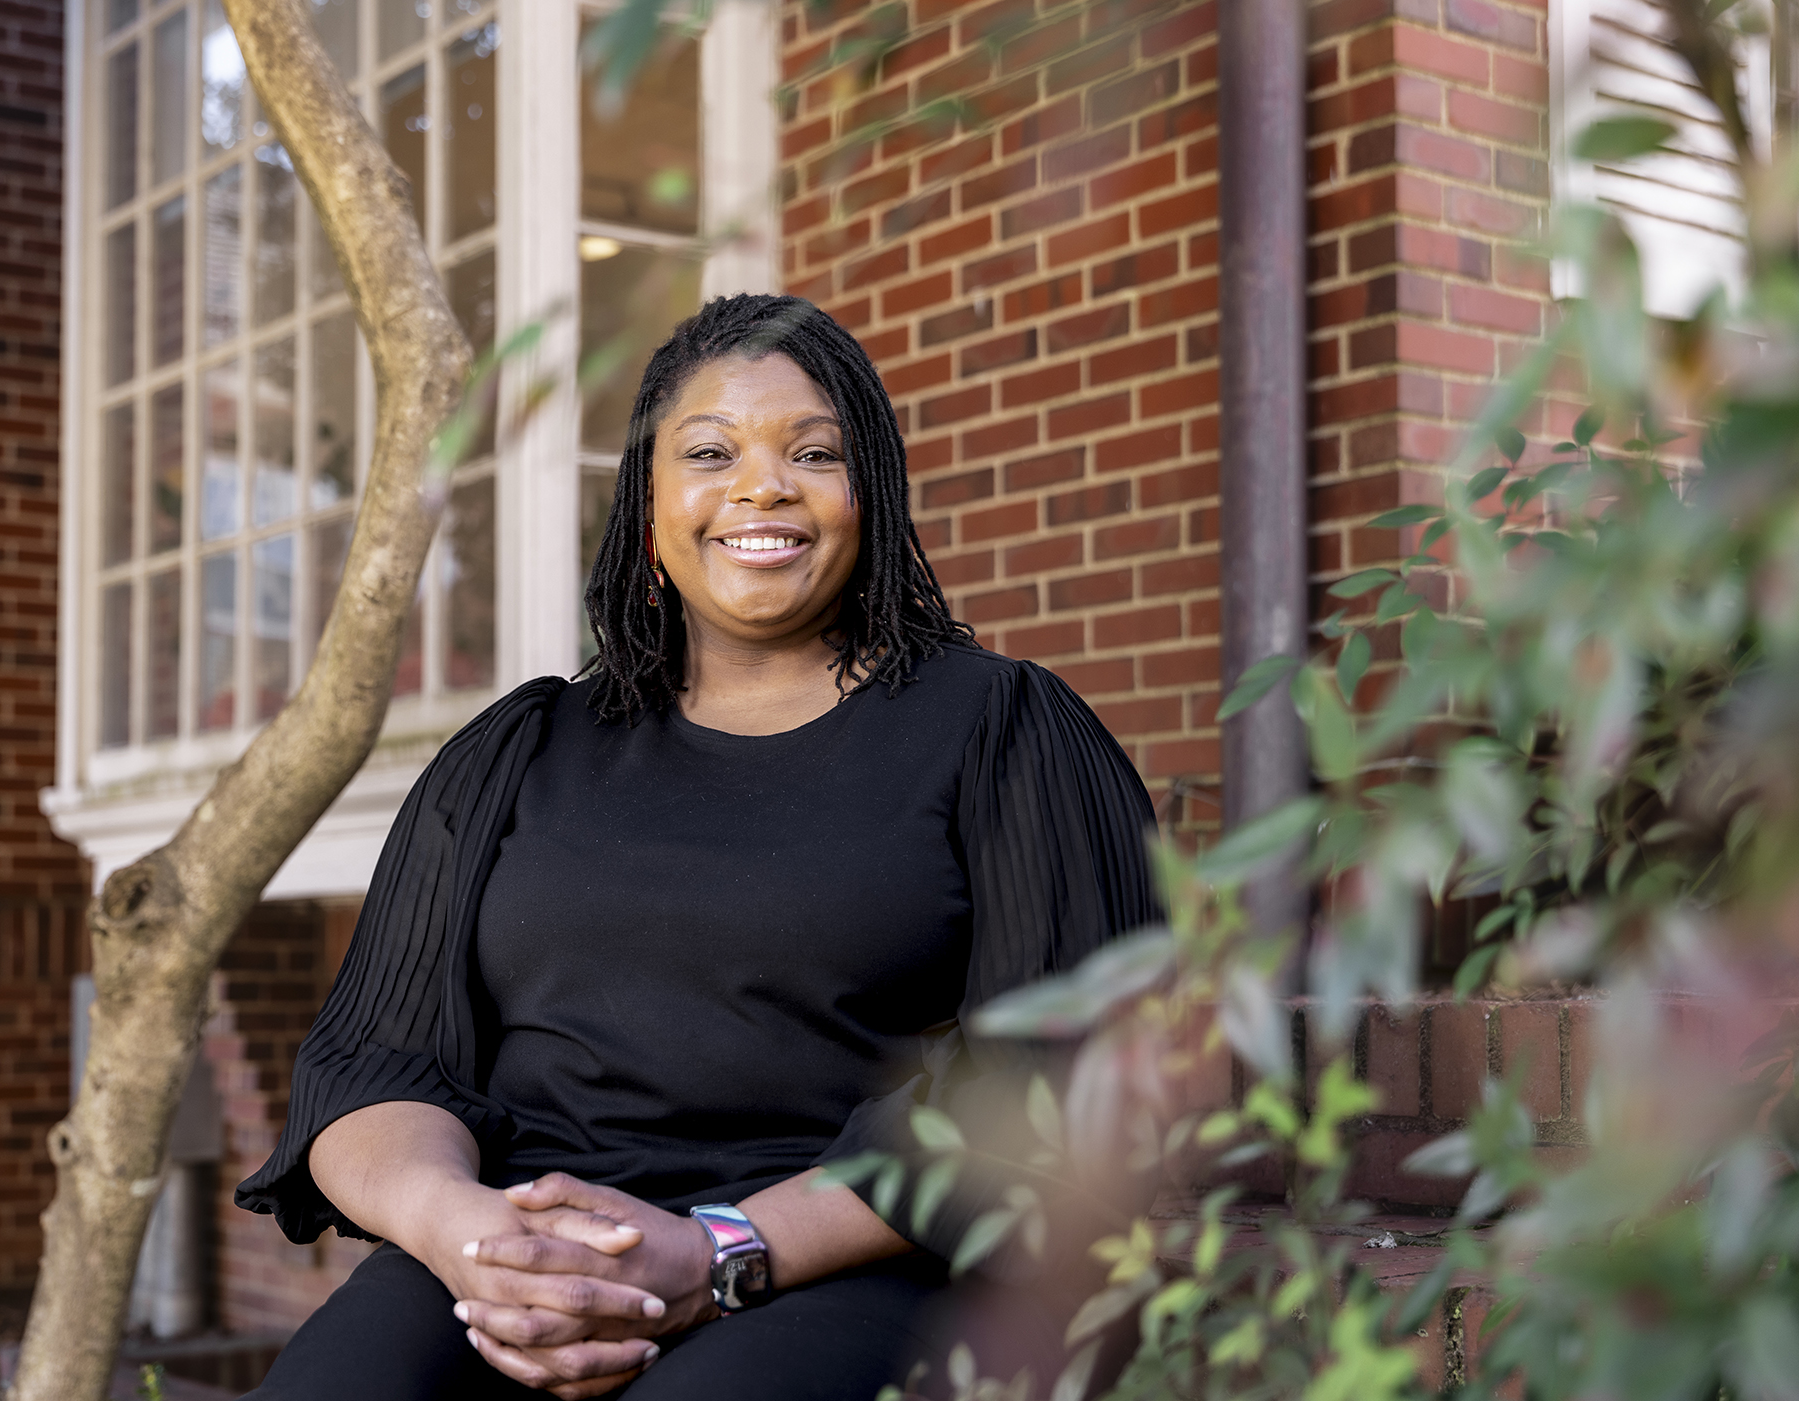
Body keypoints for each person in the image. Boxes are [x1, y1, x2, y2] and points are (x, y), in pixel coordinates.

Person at [236, 294, 1159, 1400]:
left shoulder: (1000, 732)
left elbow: (1062, 1077)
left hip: (847, 1255)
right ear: (650, 515)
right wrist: (475, 1240)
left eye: (813, 452)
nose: (761, 484)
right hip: (518, 1247)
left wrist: (720, 1250)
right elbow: (374, 1063)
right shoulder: (519, 752)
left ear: (870, 499)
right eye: (711, 451)